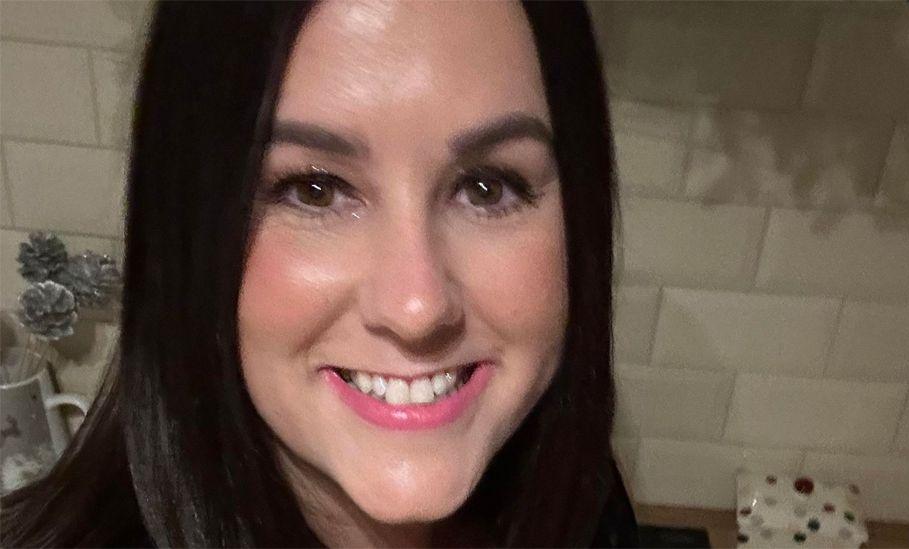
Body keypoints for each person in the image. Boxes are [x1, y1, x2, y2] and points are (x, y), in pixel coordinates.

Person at [1, 1, 638, 546]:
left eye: (487, 187)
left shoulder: (587, 505)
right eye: (314, 189)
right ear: (187, 231)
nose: (416, 306)